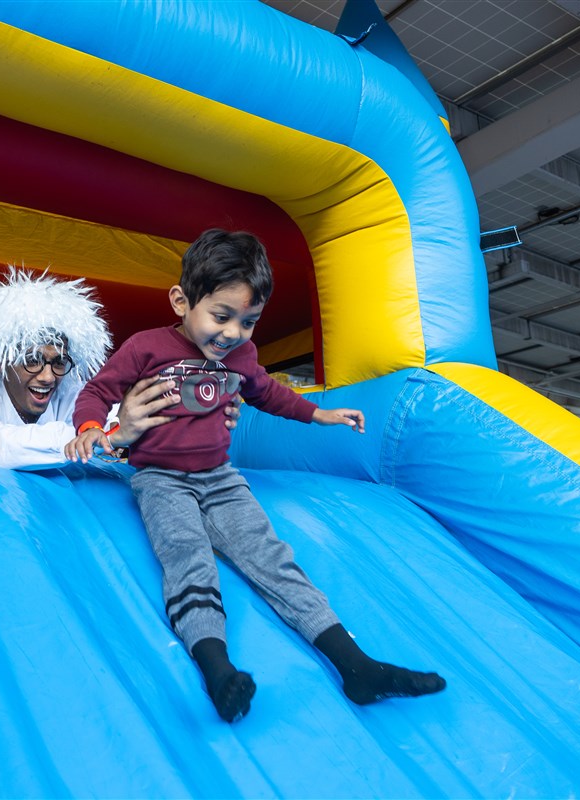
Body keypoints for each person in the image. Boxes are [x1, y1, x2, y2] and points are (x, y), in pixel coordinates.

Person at [65, 229, 445, 723]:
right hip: (160, 477)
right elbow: (97, 391)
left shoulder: (241, 357)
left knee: (271, 557)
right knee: (186, 555)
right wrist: (92, 428)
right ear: (182, 301)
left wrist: (319, 414)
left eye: (247, 322)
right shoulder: (147, 347)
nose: (232, 333)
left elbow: (269, 393)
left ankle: (357, 667)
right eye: (221, 316)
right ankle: (217, 668)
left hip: (220, 477)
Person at [0, 267, 241, 469]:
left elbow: (113, 420)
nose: (48, 376)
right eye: (32, 360)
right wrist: (106, 437)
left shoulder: (69, 390)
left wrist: (196, 410)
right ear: (4, 360)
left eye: (58, 362)